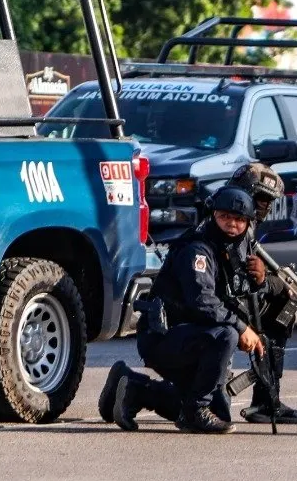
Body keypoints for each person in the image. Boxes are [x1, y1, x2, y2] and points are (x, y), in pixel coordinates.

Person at [102, 186, 263, 434]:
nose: (232, 224)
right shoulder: (198, 250)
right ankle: (195, 410)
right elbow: (202, 302)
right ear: (213, 216)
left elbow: (245, 295)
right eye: (225, 217)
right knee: (227, 335)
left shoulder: (233, 250)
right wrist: (241, 328)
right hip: (164, 337)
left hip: (192, 339)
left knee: (219, 413)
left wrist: (260, 279)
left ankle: (134, 389)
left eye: (240, 220)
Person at [225, 162, 297, 426]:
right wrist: (271, 283)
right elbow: (239, 283)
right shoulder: (234, 223)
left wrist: (268, 279)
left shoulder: (234, 218)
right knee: (285, 299)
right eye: (261, 198)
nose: (266, 206)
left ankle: (266, 399)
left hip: (219, 301)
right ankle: (265, 401)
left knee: (283, 294)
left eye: (269, 201)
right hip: (219, 306)